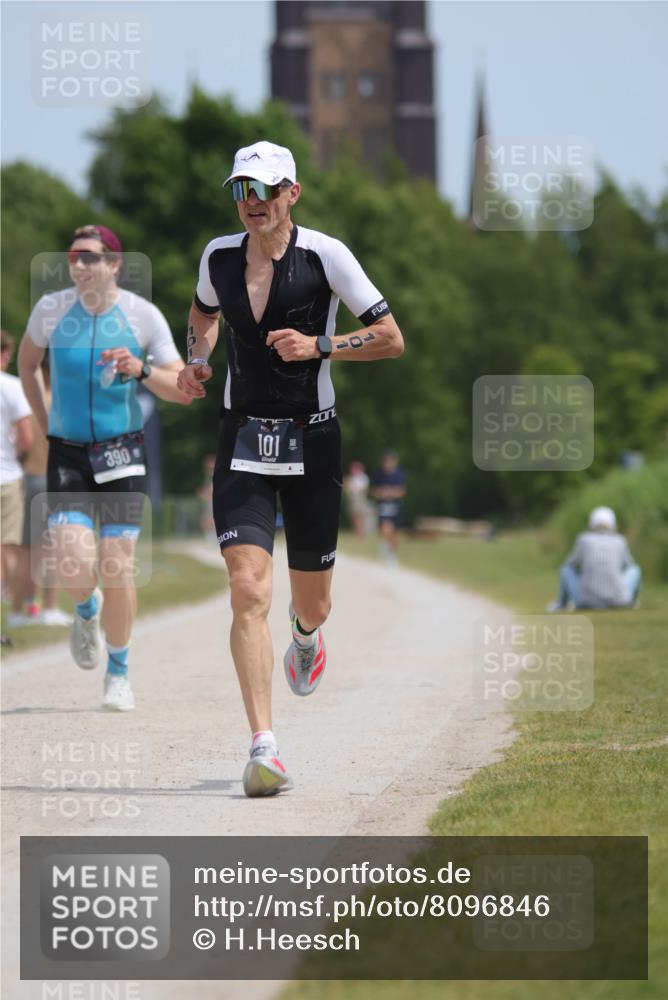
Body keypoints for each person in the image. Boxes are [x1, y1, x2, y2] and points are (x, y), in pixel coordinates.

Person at [177, 140, 403, 797]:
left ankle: (305, 637)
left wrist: (320, 345)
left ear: (291, 195)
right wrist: (197, 356)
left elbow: (391, 337)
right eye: (242, 191)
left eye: (265, 191)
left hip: (314, 441)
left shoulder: (326, 256)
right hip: (242, 436)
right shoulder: (218, 257)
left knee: (314, 602)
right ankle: (264, 746)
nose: (252, 203)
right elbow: (201, 313)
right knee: (248, 589)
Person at [18, 224, 191, 708]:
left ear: (115, 265)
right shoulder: (51, 309)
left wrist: (141, 369)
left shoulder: (142, 316)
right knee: (74, 561)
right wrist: (41, 412)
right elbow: (27, 363)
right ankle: (85, 608)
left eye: (91, 257)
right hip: (68, 451)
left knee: (117, 565)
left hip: (122, 451)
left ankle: (118, 672)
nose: (79, 265)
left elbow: (180, 387)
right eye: (74, 256)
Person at [12, 358, 73, 627]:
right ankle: (48, 609)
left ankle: (18, 610)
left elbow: (19, 444)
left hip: (28, 477)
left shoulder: (26, 404)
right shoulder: (60, 405)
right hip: (53, 479)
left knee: (25, 551)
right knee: (52, 549)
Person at [1, 330, 33, 644]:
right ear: (5, 354)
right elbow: (26, 437)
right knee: (7, 549)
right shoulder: (11, 387)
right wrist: (19, 452)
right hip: (7, 476)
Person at [547, 506, 642, 611]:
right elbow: (628, 565)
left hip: (584, 601)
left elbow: (570, 563)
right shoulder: (620, 540)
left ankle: (562, 604)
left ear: (592, 523)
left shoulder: (584, 539)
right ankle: (632, 602)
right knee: (635, 569)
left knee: (566, 569)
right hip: (620, 600)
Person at [370, 450, 407, 566]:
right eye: (386, 461)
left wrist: (390, 492)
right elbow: (373, 491)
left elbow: (402, 491)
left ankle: (392, 555)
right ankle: (384, 547)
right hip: (383, 506)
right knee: (385, 528)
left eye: (391, 461)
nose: (388, 464)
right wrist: (381, 493)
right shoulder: (378, 474)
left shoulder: (400, 474)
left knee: (395, 533)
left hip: (395, 506)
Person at [343, 460, 371, 538]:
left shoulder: (363, 477)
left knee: (359, 516)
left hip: (359, 499)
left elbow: (360, 489)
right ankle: (356, 531)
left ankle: (360, 533)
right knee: (353, 516)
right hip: (352, 499)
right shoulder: (351, 478)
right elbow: (346, 488)